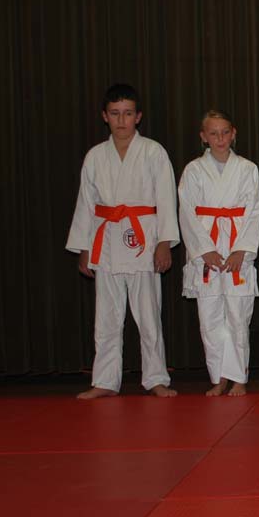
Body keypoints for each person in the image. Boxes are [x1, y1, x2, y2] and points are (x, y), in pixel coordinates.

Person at [66, 83, 179, 399]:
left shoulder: (153, 152)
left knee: (149, 316)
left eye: (127, 113)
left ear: (138, 116)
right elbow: (86, 204)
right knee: (106, 317)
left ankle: (156, 378)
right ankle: (104, 380)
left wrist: (164, 242)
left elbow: (166, 198)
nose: (121, 120)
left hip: (143, 240)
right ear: (105, 116)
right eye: (115, 113)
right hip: (106, 241)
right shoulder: (95, 156)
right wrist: (84, 247)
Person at [178, 110, 259, 396]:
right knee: (210, 318)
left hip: (237, 244)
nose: (220, 139)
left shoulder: (247, 169)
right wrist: (204, 250)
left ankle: (239, 378)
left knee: (238, 316)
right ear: (203, 137)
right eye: (213, 133)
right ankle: (219, 378)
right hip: (208, 249)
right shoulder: (193, 170)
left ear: (233, 133)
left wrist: (242, 250)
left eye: (225, 132)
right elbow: (187, 212)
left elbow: (255, 211)